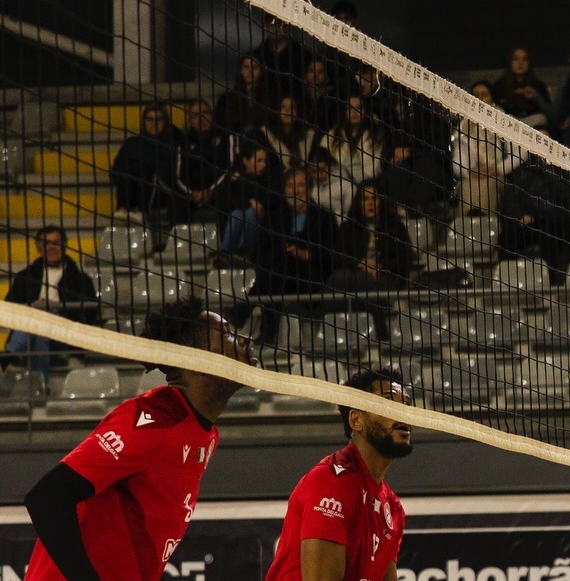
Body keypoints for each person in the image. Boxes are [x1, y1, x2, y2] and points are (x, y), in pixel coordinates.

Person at [23, 298, 253, 581]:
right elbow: (47, 497)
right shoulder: (153, 419)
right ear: (195, 359)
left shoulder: (205, 432)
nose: (243, 339)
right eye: (228, 333)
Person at [265, 368, 411, 581]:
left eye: (407, 404)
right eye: (389, 402)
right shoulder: (331, 482)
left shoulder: (393, 508)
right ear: (356, 420)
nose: (405, 413)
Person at [245, 167, 341, 345]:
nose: (295, 191)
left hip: (310, 277)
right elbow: (260, 250)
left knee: (274, 271)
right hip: (279, 276)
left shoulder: (324, 216)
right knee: (273, 266)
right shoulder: (274, 216)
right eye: (290, 186)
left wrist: (307, 255)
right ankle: (266, 326)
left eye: (300, 186)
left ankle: (246, 312)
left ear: (310, 189)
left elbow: (332, 255)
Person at [3, 226, 98, 378]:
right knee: (41, 331)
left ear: (65, 244)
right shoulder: (24, 277)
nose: (51, 247)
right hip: (35, 332)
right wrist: (35, 305)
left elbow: (91, 314)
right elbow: (10, 307)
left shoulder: (82, 280)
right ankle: (42, 389)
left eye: (55, 243)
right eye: (46, 244)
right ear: (39, 248)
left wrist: (56, 308)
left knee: (43, 313)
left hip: (64, 335)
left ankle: (11, 353)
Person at [327, 179, 414, 342]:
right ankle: (333, 334)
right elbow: (337, 256)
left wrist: (380, 266)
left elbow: (405, 258)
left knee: (359, 280)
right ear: (359, 203)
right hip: (355, 275)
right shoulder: (349, 226)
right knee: (339, 279)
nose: (370, 203)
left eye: (373, 198)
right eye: (365, 199)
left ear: (381, 201)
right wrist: (361, 263)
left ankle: (379, 333)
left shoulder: (395, 226)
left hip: (386, 277)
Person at [498, 152, 570, 286]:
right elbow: (512, 197)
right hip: (528, 222)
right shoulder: (523, 170)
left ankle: (553, 283)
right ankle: (508, 281)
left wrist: (549, 170)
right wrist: (521, 215)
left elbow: (566, 199)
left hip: (554, 221)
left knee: (550, 236)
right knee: (506, 238)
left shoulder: (564, 171)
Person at [454, 79, 521, 216]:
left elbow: (520, 154)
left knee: (487, 185)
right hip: (473, 175)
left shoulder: (506, 122)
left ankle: (486, 228)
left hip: (499, 174)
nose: (479, 99)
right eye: (476, 95)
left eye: (484, 95)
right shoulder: (463, 127)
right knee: (468, 185)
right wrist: (470, 171)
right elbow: (457, 160)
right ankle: (466, 230)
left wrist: (497, 169)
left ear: (492, 99)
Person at [109, 103, 181, 220]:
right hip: (134, 190)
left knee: (147, 171)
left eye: (159, 119)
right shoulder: (132, 143)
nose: (154, 123)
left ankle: (141, 212)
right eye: (150, 119)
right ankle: (124, 209)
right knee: (127, 170)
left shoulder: (174, 144)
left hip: (163, 192)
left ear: (165, 122)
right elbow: (115, 172)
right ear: (144, 122)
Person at [213, 141, 272, 267]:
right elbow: (223, 201)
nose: (264, 165)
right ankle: (226, 253)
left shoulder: (268, 180)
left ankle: (244, 253)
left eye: (264, 161)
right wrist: (248, 201)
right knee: (237, 213)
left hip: (263, 228)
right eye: (259, 161)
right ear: (246, 160)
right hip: (235, 222)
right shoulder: (233, 180)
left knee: (251, 213)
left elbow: (266, 200)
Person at [176, 100, 232, 219]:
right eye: (195, 115)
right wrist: (193, 192)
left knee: (230, 197)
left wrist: (211, 191)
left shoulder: (225, 137)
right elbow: (179, 174)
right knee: (175, 201)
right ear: (189, 120)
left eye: (205, 113)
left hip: (219, 190)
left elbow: (229, 168)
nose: (200, 119)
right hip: (192, 193)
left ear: (212, 115)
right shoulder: (183, 141)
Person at [252, 15, 312, 97]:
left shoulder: (302, 54)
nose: (274, 29)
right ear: (266, 26)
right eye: (271, 25)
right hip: (266, 101)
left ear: (286, 26)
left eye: (278, 24)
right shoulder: (258, 55)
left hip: (295, 102)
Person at [214, 54, 271, 139]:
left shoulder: (270, 98)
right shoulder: (226, 100)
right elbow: (220, 126)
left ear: (261, 71)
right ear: (241, 71)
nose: (250, 71)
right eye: (246, 67)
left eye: (255, 67)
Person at [493, 46, 552, 128]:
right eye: (516, 59)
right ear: (510, 62)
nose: (520, 63)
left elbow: (548, 114)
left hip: (532, 126)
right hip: (508, 124)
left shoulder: (538, 86)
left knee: (541, 118)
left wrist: (535, 96)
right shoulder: (499, 85)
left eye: (525, 59)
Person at [262, 95, 320, 174]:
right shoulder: (265, 134)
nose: (288, 111)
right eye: (283, 107)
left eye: (292, 108)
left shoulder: (309, 135)